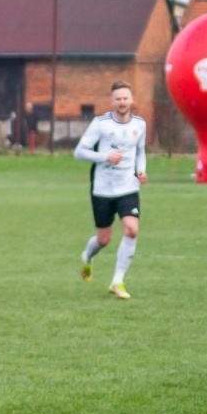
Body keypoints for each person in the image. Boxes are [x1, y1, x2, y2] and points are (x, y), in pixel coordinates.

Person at [74, 82, 148, 300]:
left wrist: (141, 171)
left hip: (128, 186)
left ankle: (118, 281)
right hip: (103, 188)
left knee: (132, 230)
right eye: (118, 99)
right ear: (112, 101)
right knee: (103, 239)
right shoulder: (101, 124)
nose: (122, 102)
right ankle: (87, 257)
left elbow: (140, 151)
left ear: (132, 100)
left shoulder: (140, 124)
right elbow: (79, 152)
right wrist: (104, 156)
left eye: (126, 98)